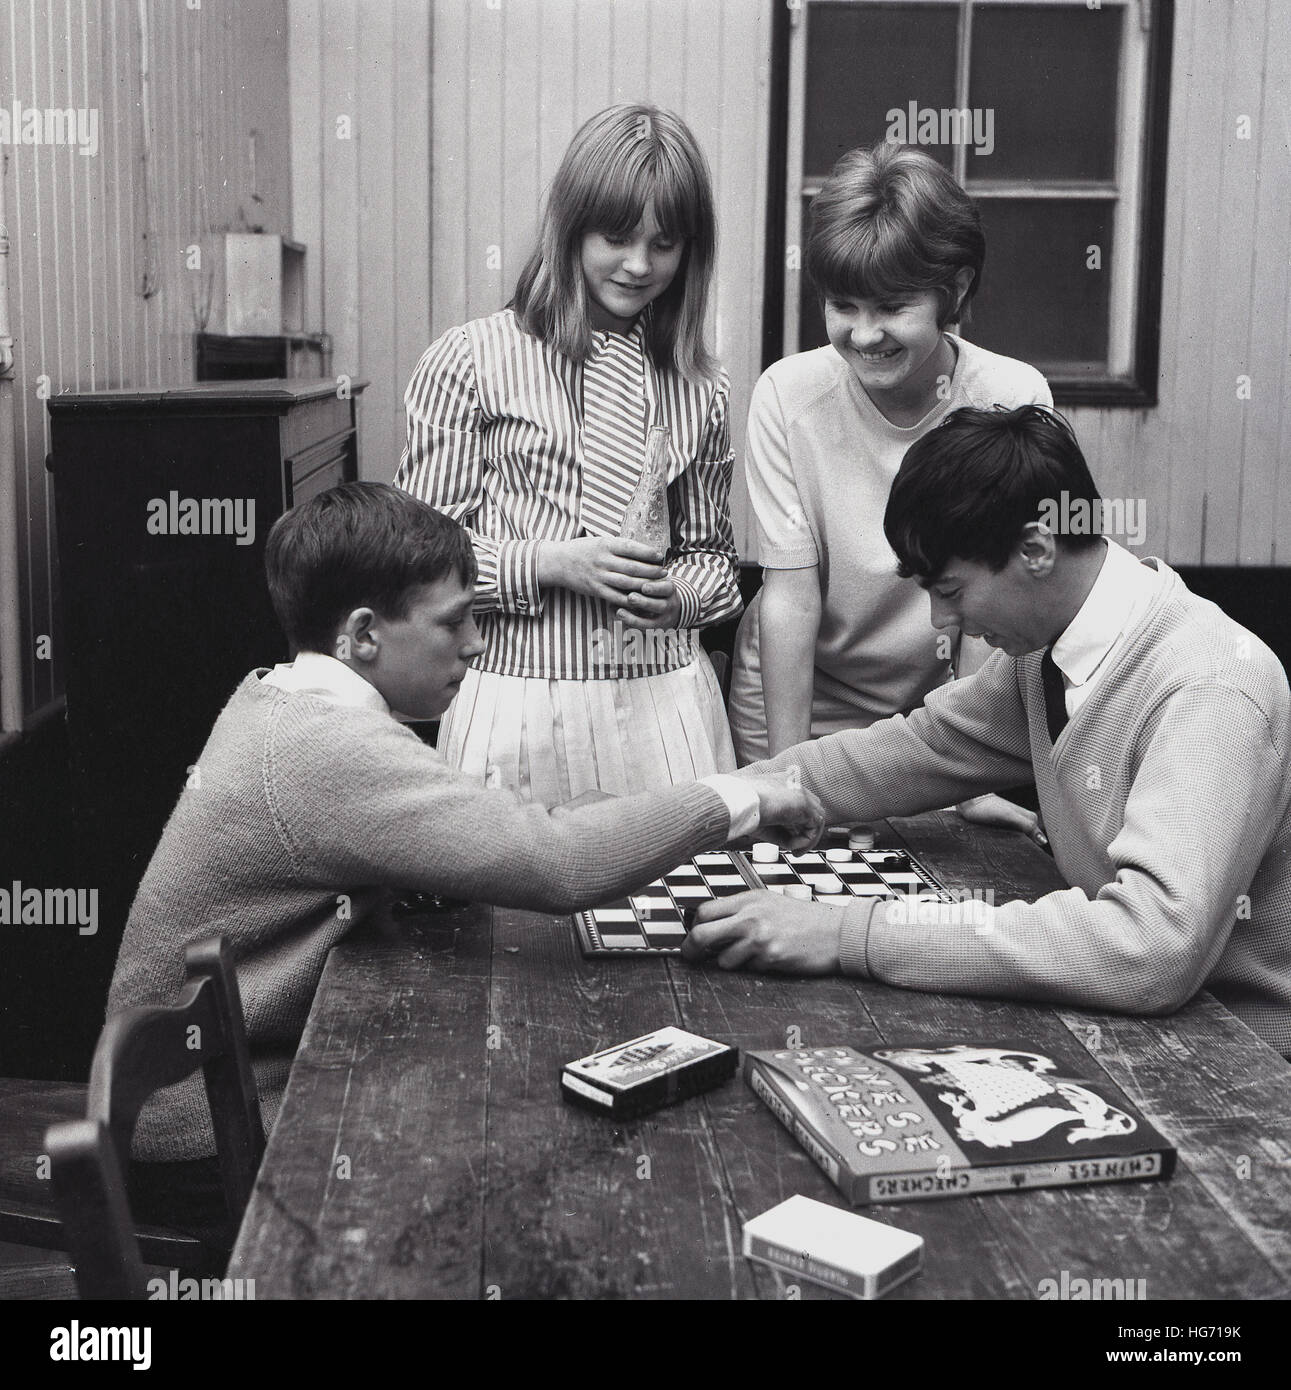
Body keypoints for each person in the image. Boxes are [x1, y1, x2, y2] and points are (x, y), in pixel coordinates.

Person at [107, 483, 822, 1257]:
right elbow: (561, 865)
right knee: (523, 1165)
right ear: (362, 636)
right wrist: (738, 794)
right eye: (454, 622)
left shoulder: (285, 699)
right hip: (207, 1137)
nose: (476, 644)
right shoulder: (325, 747)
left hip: (218, 1091)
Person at [687, 406, 1291, 1058]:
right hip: (1127, 1024)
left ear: (1034, 548)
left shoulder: (1211, 686)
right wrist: (717, 802)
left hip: (1236, 1066)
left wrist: (847, 934)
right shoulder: (1052, 648)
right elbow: (920, 749)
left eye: (950, 590)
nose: (942, 622)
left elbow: (1149, 947)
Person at [397, 103, 741, 804]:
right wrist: (552, 562)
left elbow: (715, 562)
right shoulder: (469, 360)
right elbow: (415, 559)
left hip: (663, 707)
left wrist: (675, 595)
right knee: (515, 913)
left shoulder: (701, 387)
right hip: (517, 707)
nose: (639, 264)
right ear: (570, 226)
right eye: (615, 236)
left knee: (673, 907)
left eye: (665, 243)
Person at [728, 141, 1052, 840]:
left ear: (953, 290)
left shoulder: (1010, 397)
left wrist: (967, 775)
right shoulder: (787, 395)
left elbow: (990, 593)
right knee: (791, 890)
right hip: (798, 701)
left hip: (932, 711)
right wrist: (789, 775)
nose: (863, 333)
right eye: (842, 305)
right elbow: (789, 596)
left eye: (892, 307)